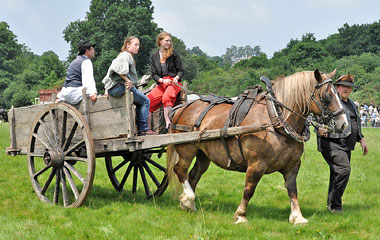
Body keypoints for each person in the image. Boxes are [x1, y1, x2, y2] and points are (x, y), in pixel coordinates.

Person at [316, 74, 368, 214]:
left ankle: (331, 205)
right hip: (331, 142)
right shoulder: (330, 101)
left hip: (346, 145)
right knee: (344, 170)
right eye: (343, 86)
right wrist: (318, 127)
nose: (346, 89)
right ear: (337, 87)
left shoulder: (351, 103)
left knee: (337, 174)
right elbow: (314, 116)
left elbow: (356, 121)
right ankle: (335, 206)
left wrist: (361, 138)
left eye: (349, 87)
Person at [102, 36, 156, 136]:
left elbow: (110, 74)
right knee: (145, 101)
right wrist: (127, 80)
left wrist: (106, 89)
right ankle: (143, 129)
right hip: (119, 87)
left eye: (139, 45)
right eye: (135, 44)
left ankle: (140, 128)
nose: (138, 47)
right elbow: (118, 71)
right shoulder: (125, 55)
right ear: (128, 45)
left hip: (115, 87)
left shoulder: (124, 56)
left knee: (140, 101)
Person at [147, 32, 184, 132]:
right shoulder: (153, 57)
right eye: (166, 41)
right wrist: (162, 80)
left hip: (173, 82)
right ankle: (148, 129)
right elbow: (154, 74)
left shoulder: (174, 54)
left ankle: (169, 124)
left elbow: (180, 70)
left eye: (170, 41)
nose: (169, 43)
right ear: (160, 41)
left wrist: (177, 77)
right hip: (162, 82)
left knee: (166, 98)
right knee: (147, 101)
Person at [57, 40, 97, 104]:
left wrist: (60, 96)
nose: (94, 51)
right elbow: (88, 80)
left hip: (66, 94)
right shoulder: (86, 61)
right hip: (75, 94)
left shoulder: (74, 61)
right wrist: (92, 93)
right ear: (87, 51)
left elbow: (68, 80)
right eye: (92, 49)